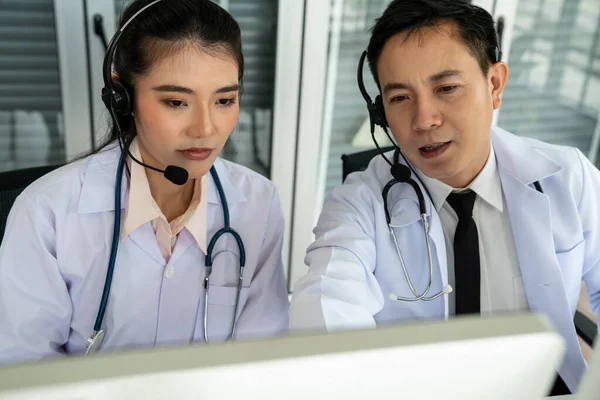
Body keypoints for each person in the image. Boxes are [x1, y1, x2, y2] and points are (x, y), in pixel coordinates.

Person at [289, 0, 600, 395]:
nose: (424, 120)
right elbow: (324, 318)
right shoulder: (356, 206)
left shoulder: (568, 178)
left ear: (494, 85)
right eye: (400, 98)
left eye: (447, 88)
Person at [0, 0, 288, 363]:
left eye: (225, 99)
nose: (206, 128)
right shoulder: (47, 212)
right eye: (176, 102)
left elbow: (260, 362)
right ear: (122, 98)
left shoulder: (258, 203)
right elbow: (24, 374)